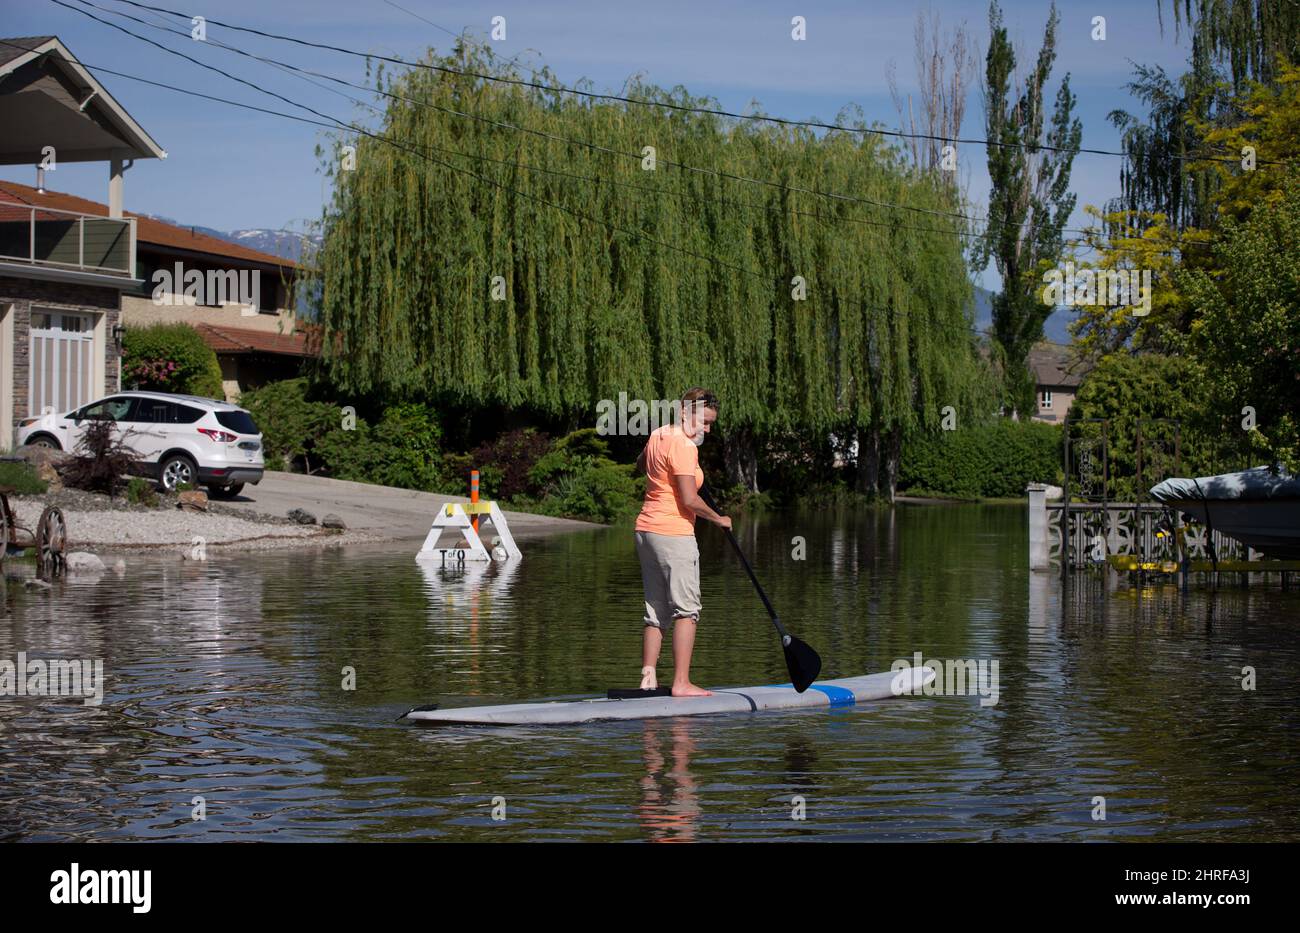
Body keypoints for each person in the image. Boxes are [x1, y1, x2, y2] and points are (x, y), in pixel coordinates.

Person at [633, 388, 731, 697]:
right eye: (704, 421)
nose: (707, 429)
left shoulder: (660, 434)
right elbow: (689, 499)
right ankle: (681, 683)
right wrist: (718, 518)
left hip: (646, 532)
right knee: (687, 611)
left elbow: (641, 464)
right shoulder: (685, 446)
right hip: (673, 534)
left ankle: (648, 678)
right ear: (686, 412)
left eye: (711, 423)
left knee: (656, 610)